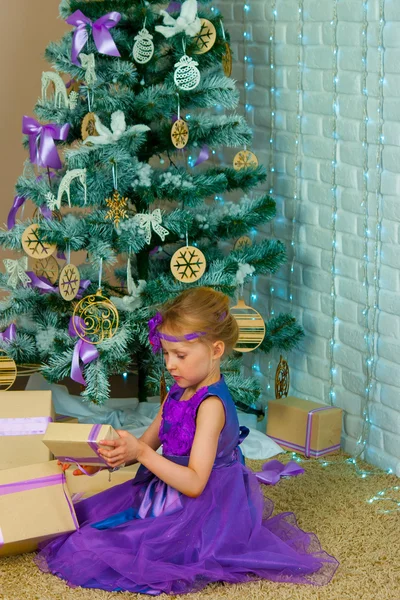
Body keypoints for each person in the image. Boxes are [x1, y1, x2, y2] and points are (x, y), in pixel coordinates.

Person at [35, 286, 339, 594]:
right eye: (166, 353)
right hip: (167, 488)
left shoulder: (210, 407)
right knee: (84, 519)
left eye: (180, 355)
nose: (169, 364)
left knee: (104, 548)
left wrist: (140, 452)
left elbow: (194, 483)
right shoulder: (179, 390)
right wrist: (104, 459)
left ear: (216, 350)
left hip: (205, 505)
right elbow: (148, 443)